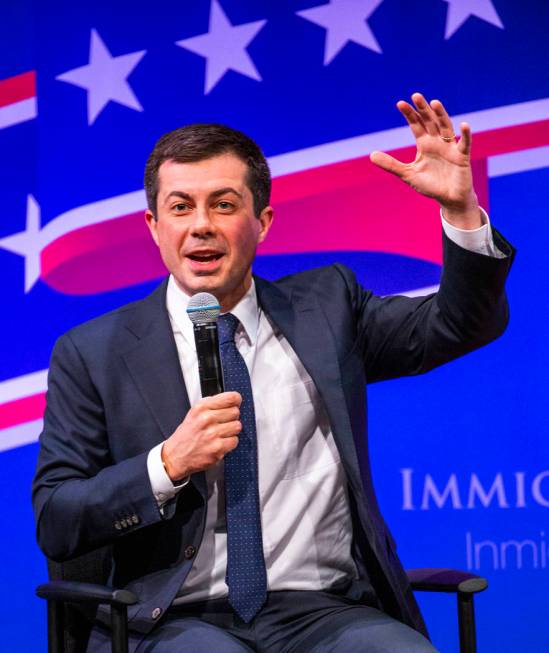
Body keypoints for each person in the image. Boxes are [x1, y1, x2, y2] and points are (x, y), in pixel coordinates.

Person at [33, 93, 514, 653]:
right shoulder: (94, 351)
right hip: (176, 620)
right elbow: (57, 516)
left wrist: (459, 212)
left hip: (326, 611)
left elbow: (460, 325)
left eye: (224, 204)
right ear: (153, 225)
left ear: (262, 221)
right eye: (181, 207)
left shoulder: (328, 307)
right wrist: (166, 465)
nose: (201, 227)